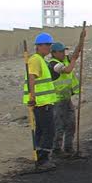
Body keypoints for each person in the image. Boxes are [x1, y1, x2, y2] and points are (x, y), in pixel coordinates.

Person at [23, 32, 59, 171]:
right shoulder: (36, 60)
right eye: (48, 45)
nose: (50, 48)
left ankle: (40, 156)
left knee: (42, 130)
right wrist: (33, 96)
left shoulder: (41, 60)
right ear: (39, 46)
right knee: (48, 131)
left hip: (45, 102)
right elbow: (32, 77)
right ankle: (43, 159)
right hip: (41, 103)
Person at [47, 30, 86, 156]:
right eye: (62, 51)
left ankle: (68, 147)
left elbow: (76, 54)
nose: (64, 53)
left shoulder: (64, 60)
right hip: (57, 101)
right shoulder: (53, 65)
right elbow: (68, 70)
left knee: (71, 124)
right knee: (59, 126)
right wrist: (73, 59)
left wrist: (81, 40)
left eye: (64, 51)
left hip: (67, 99)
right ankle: (56, 150)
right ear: (54, 53)